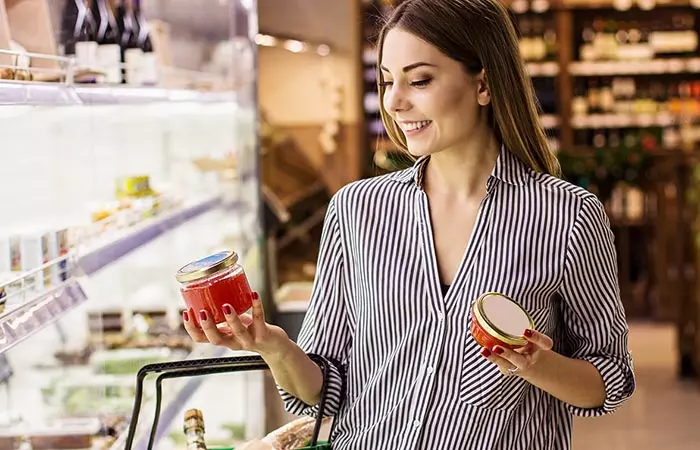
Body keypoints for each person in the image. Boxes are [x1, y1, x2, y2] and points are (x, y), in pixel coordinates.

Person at [183, 0, 636, 448]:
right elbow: (326, 390)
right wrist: (275, 347)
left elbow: (610, 378)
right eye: (386, 81)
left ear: (483, 83)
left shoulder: (567, 215)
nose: (395, 102)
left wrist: (537, 365)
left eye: (419, 80)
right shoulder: (357, 210)